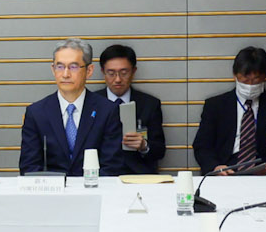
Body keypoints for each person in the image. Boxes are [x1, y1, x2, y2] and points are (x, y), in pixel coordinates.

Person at [20, 40, 121, 175]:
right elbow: (29, 167)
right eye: (60, 67)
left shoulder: (107, 111)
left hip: (93, 190)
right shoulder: (36, 113)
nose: (65, 74)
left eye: (73, 67)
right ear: (53, 69)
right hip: (51, 192)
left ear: (89, 71)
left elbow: (112, 166)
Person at [192, 46, 266, 175]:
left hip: (262, 170)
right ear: (235, 75)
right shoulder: (215, 106)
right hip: (226, 169)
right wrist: (215, 167)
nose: (250, 85)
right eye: (245, 80)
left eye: (256, 79)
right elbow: (202, 146)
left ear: (265, 77)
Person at [98, 44, 165, 173]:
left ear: (133, 71)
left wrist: (144, 146)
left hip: (139, 175)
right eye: (111, 73)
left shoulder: (149, 104)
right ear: (103, 72)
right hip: (101, 176)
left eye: (124, 73)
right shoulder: (91, 103)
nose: (117, 79)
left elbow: (160, 150)